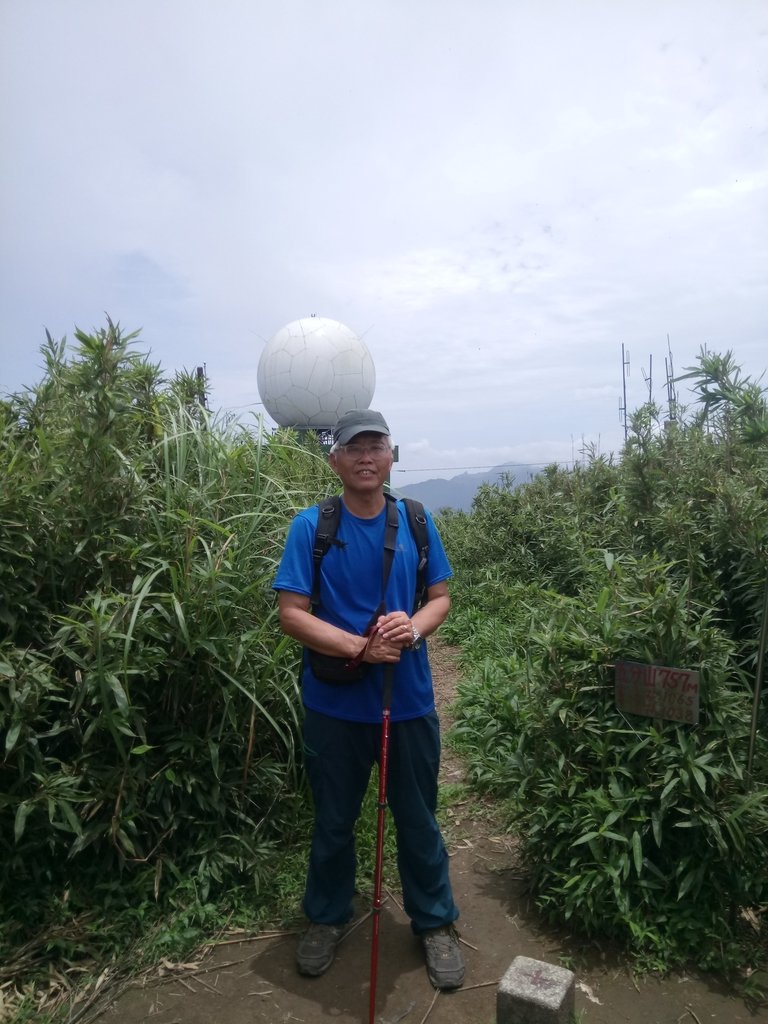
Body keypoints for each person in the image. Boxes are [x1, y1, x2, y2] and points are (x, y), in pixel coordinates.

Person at [273, 409, 464, 990]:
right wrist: (361, 647)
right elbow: (291, 615)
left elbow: (439, 598)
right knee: (333, 819)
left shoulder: (416, 520)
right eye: (353, 448)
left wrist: (412, 630)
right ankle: (327, 918)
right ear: (335, 461)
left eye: (375, 446)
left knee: (418, 817)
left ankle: (434, 923)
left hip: (407, 701)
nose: (365, 456)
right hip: (335, 706)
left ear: (391, 456)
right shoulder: (313, 527)